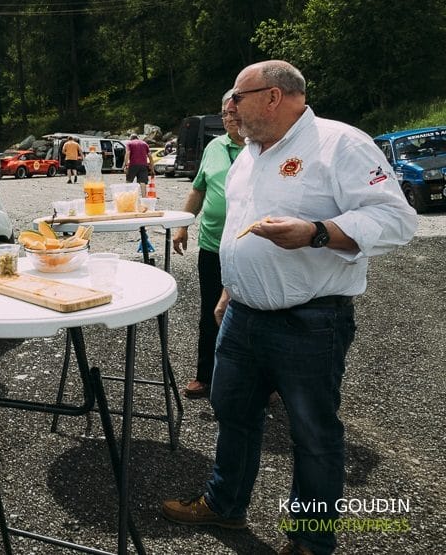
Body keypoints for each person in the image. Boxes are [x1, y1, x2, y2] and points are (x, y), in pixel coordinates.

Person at [161, 61, 417, 555]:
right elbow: (241, 227)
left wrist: (317, 233)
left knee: (313, 435)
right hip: (242, 315)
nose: (230, 107)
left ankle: (310, 541)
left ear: (274, 96)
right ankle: (225, 505)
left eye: (238, 96)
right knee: (233, 414)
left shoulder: (339, 143)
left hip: (311, 319)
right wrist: (230, 288)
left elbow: (396, 220)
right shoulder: (248, 154)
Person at [172, 90, 245, 399]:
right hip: (213, 245)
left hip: (251, 247)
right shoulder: (214, 147)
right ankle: (206, 375)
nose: (230, 120)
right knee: (209, 312)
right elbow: (198, 189)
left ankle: (261, 381)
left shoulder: (263, 148)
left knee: (253, 312)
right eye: (226, 115)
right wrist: (183, 224)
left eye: (235, 115)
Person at [123, 132, 153, 196]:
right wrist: (152, 168)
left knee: (129, 181)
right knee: (143, 182)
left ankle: (128, 197)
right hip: (143, 165)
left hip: (133, 165)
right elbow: (150, 156)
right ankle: (144, 198)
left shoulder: (129, 143)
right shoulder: (145, 143)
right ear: (137, 138)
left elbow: (127, 153)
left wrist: (126, 165)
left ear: (131, 138)